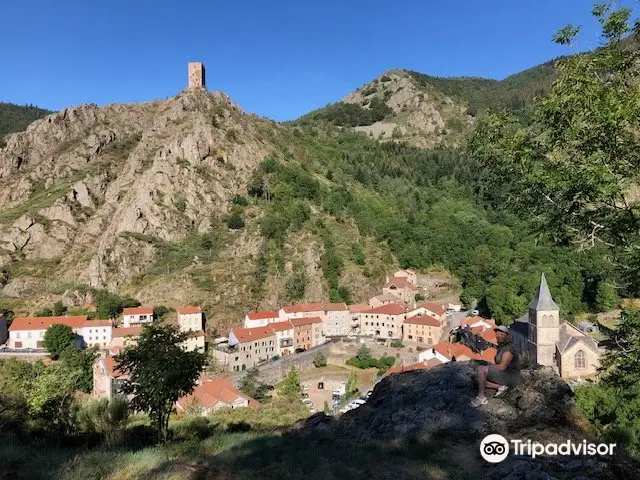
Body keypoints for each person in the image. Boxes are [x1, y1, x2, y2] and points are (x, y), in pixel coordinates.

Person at [470, 325, 521, 407]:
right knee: (479, 378)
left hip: (511, 376)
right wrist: (491, 366)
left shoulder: (508, 348)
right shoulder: (501, 347)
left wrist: (487, 368)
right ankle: (500, 387)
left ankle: (481, 397)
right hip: (505, 374)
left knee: (481, 369)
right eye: (497, 333)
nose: (498, 335)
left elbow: (502, 367)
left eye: (502, 333)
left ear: (507, 336)